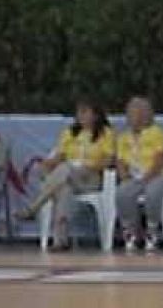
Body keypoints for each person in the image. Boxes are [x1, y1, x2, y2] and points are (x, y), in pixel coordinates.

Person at [17, 100, 116, 250]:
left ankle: (34, 207)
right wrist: (46, 164)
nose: (80, 116)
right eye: (78, 112)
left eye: (85, 112)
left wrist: (88, 166)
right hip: (68, 176)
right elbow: (59, 157)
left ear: (96, 115)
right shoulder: (70, 133)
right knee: (63, 188)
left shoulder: (106, 134)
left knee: (65, 172)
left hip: (91, 176)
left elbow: (109, 160)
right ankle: (60, 241)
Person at [114, 96, 163, 252]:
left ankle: (152, 230)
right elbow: (120, 160)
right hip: (133, 175)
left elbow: (160, 158)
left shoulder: (157, 133)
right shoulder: (123, 137)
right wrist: (125, 175)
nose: (135, 117)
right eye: (132, 113)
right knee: (122, 193)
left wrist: (147, 177)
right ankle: (130, 231)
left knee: (153, 193)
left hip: (155, 174)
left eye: (139, 113)